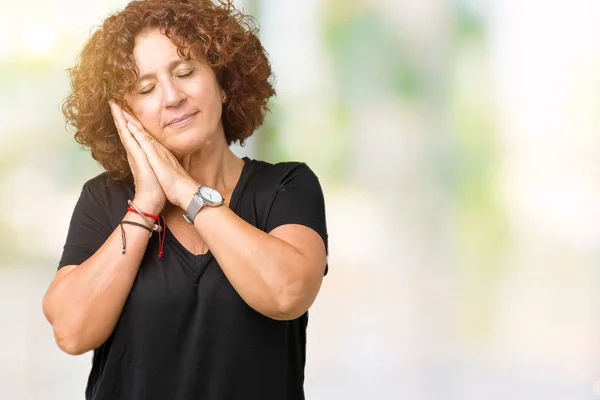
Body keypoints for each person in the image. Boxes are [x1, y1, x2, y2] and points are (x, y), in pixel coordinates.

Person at [41, 1, 328, 399]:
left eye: (186, 72)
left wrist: (185, 192)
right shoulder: (105, 198)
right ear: (127, 115)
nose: (172, 97)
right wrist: (145, 205)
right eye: (146, 88)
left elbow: (287, 294)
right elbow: (71, 331)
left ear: (224, 82)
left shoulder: (286, 185)